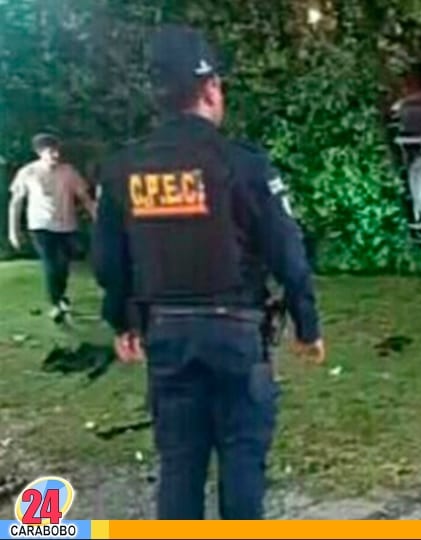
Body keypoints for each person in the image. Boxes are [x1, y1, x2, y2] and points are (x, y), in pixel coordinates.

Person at [92, 24, 326, 520]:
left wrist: (121, 321)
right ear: (210, 89)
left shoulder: (122, 169)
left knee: (179, 463)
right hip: (236, 333)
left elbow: (110, 261)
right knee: (242, 457)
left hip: (167, 335)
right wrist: (307, 323)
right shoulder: (242, 164)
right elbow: (288, 249)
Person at [8, 133, 96, 323]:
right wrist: (13, 231)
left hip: (66, 225)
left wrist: (97, 218)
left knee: (63, 265)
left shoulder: (68, 172)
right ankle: (56, 304)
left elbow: (85, 198)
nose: (56, 154)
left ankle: (60, 296)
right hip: (40, 226)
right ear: (40, 153)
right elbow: (16, 203)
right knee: (51, 264)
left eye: (57, 150)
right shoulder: (28, 172)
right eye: (51, 151)